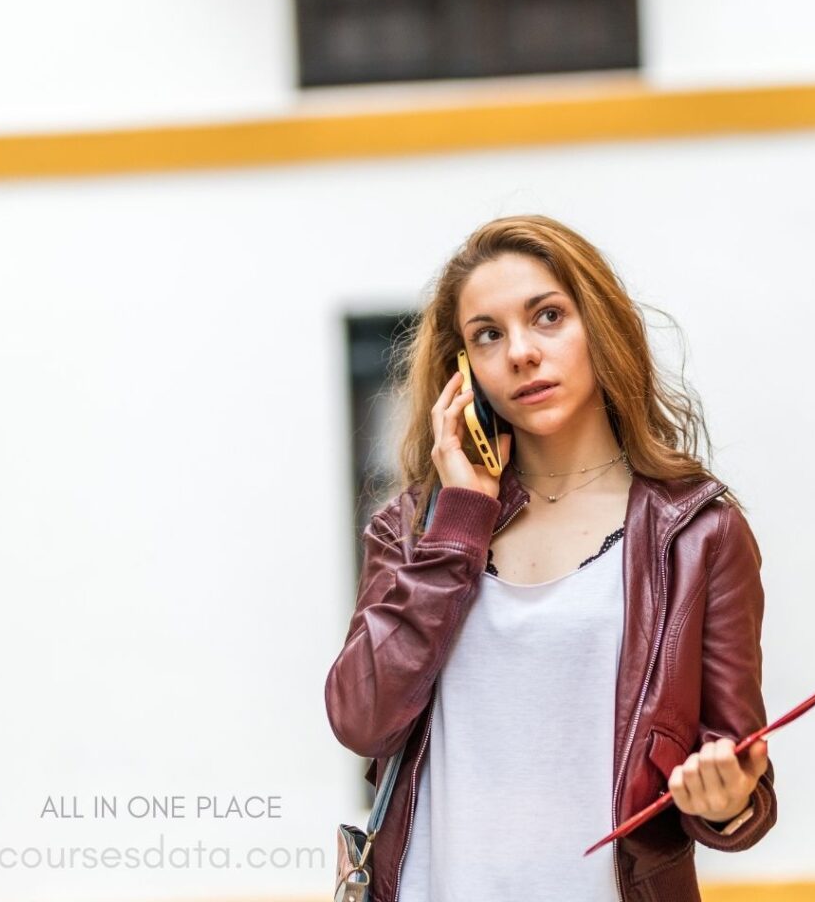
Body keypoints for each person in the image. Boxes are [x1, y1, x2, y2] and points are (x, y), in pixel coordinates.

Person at [325, 215, 777, 901]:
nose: (522, 353)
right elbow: (361, 718)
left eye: (548, 317)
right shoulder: (416, 527)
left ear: (599, 325)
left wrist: (725, 798)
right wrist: (461, 519)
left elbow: (741, 778)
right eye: (488, 335)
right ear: (463, 371)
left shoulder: (697, 534)